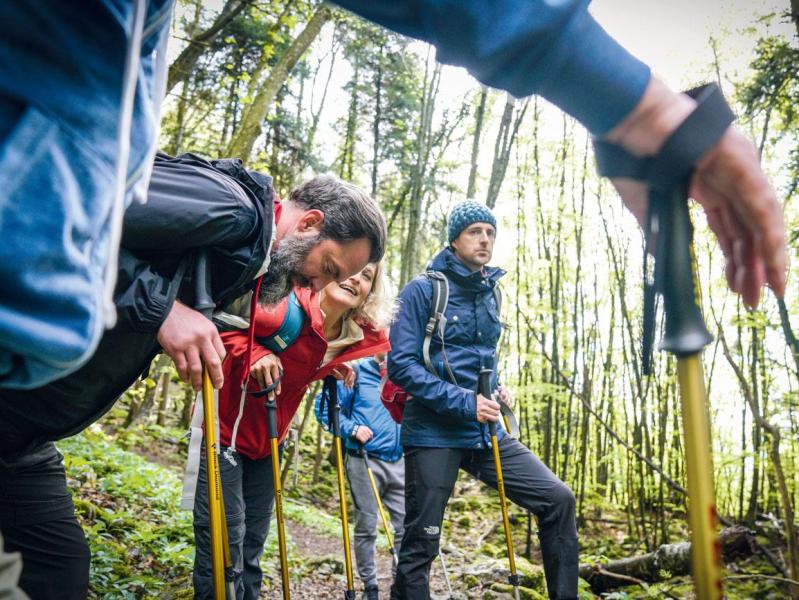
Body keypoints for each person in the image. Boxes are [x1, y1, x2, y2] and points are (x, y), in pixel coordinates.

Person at [0, 165, 386, 600]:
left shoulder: (242, 261)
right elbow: (50, 201)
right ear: (310, 223)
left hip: (22, 436)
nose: (318, 285)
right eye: (329, 267)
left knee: (59, 568)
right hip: (14, 403)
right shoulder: (230, 207)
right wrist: (162, 310)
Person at [388, 200, 578, 600]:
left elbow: (478, 359)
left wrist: (496, 389)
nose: (485, 239)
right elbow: (402, 366)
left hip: (483, 430)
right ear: (454, 239)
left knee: (558, 499)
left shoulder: (493, 294)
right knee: (421, 543)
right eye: (475, 231)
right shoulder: (424, 290)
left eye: (490, 232)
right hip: (432, 432)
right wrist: (465, 401)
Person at [191, 262, 395, 599]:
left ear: (369, 294)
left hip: (271, 442)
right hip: (224, 433)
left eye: (368, 276)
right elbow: (219, 323)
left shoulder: (346, 336)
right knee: (224, 543)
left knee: (253, 544)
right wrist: (254, 351)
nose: (357, 278)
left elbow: (299, 358)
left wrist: (329, 367)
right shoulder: (287, 303)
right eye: (354, 268)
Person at [314, 353, 404, 600]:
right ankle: (370, 587)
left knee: (406, 525)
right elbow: (324, 409)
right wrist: (352, 428)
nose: (387, 349)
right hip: (364, 458)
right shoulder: (355, 371)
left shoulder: (405, 372)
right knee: (367, 526)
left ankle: (402, 585)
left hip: (401, 460)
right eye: (382, 342)